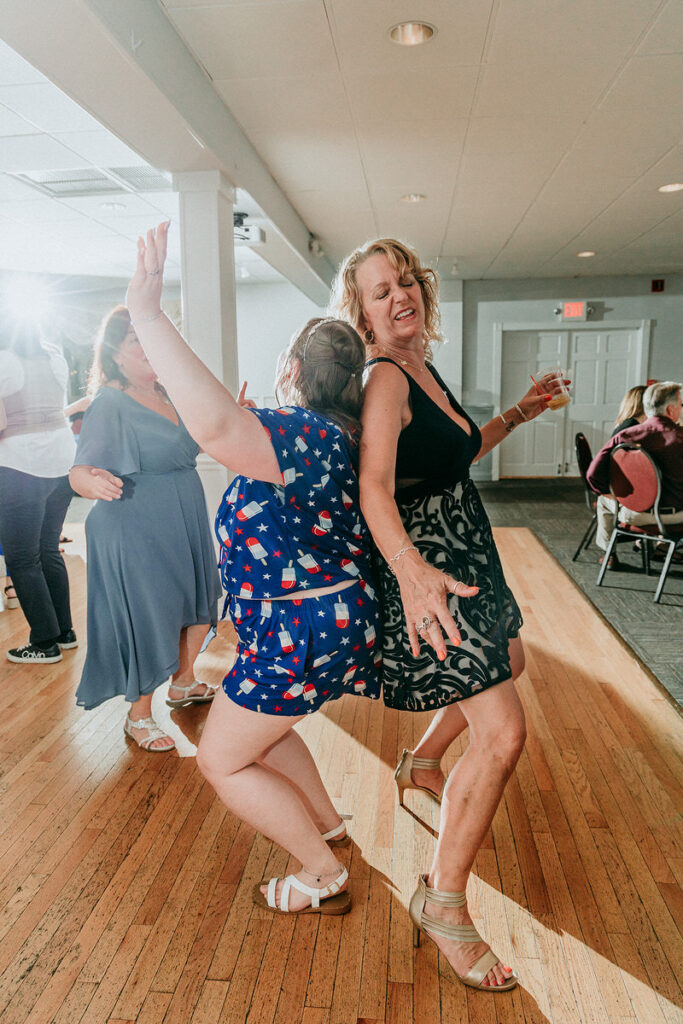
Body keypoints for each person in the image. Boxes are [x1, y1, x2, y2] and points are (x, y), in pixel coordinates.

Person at [125, 222, 381, 916]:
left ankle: (319, 871)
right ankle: (326, 824)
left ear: (292, 370)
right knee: (268, 729)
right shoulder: (330, 435)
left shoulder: (301, 433)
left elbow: (210, 432)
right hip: (314, 625)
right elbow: (246, 463)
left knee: (222, 758)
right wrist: (248, 423)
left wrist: (147, 315)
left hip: (299, 630)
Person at [334, 238, 568, 992]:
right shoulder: (381, 379)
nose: (397, 295)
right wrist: (409, 575)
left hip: (466, 555)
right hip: (429, 571)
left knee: (513, 662)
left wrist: (521, 411)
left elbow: (452, 454)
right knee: (502, 734)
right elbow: (374, 487)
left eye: (403, 281)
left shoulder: (419, 366)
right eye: (378, 291)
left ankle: (423, 761)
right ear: (362, 314)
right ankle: (442, 902)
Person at [69, 305, 222, 751]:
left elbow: (192, 444)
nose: (150, 349)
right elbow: (78, 471)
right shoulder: (109, 402)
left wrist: (231, 416)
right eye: (138, 341)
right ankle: (138, 716)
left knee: (198, 606)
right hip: (134, 523)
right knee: (151, 618)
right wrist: (90, 481)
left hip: (182, 514)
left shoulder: (167, 393)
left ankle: (183, 683)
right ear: (115, 354)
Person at [0, 325, 83, 663]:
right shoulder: (53, 354)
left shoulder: (5, 360)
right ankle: (64, 632)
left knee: (21, 558)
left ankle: (44, 642)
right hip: (61, 461)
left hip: (22, 463)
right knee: (48, 549)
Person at [587, 380, 683, 561]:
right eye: (681, 405)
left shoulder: (624, 436)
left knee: (603, 502)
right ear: (670, 410)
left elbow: (593, 475)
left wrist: (615, 495)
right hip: (677, 517)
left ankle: (608, 554)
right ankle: (663, 547)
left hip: (634, 514)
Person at [594, 384, 647, 566]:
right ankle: (654, 544)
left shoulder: (625, 427)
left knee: (604, 502)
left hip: (630, 493)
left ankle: (609, 551)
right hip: (630, 491)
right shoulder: (634, 430)